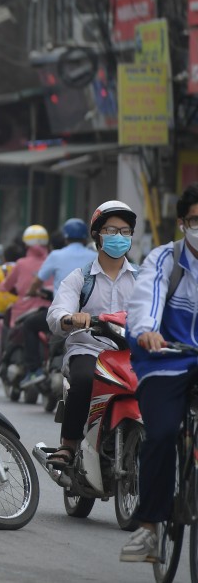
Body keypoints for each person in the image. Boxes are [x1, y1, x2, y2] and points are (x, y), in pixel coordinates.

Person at [121, 184, 198, 563]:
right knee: (163, 432)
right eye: (197, 220)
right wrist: (148, 331)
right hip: (164, 359)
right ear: (184, 223)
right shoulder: (165, 259)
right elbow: (146, 299)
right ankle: (149, 527)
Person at [42, 202, 137, 469]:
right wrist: (70, 318)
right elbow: (57, 313)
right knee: (84, 379)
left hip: (130, 355)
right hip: (88, 350)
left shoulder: (143, 278)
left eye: (125, 231)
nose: (119, 236)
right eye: (111, 230)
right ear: (97, 234)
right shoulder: (79, 278)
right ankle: (69, 444)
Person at [17, 218, 97, 388]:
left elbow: (37, 282)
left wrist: (32, 291)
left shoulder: (56, 255)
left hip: (65, 316)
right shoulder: (95, 256)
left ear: (65, 237)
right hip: (90, 318)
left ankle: (34, 370)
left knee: (29, 325)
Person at [0, 225, 52, 387]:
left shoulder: (21, 264)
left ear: (26, 245)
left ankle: (7, 359)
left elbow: (5, 287)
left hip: (23, 311)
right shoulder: (51, 260)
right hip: (49, 311)